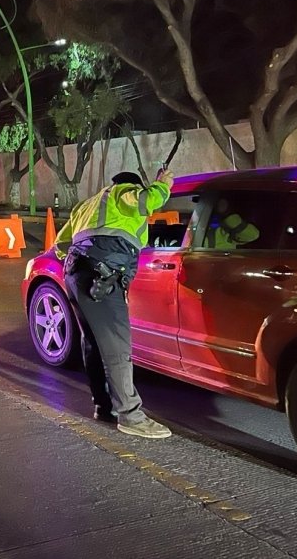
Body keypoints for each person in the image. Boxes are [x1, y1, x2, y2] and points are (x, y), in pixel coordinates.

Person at [55, 168, 175, 439]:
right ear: (132, 185)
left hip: (77, 272)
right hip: (104, 273)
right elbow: (148, 201)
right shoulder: (124, 193)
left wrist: (82, 258)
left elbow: (61, 243)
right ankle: (131, 416)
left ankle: (103, 406)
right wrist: (162, 184)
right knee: (117, 346)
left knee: (94, 342)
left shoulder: (87, 205)